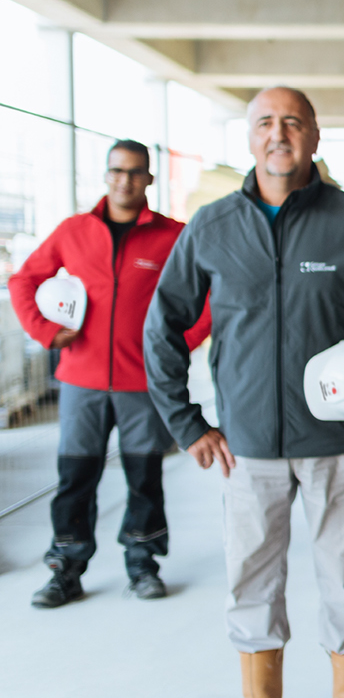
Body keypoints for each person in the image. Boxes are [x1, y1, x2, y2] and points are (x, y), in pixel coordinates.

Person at [144, 87, 344, 698]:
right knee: (250, 579)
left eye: (293, 123)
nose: (279, 135)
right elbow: (161, 324)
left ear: (314, 136)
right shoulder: (213, 226)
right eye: (265, 123)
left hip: (338, 441)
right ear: (249, 138)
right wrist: (187, 424)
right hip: (247, 446)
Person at [10, 139, 209, 608]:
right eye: (117, 171)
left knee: (144, 478)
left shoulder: (172, 236)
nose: (126, 180)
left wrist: (177, 346)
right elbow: (23, 280)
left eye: (136, 172)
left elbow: (210, 295)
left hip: (143, 383)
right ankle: (66, 569)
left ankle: (143, 564)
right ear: (105, 175)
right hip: (80, 382)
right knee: (75, 478)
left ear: (149, 179)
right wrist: (43, 329)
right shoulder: (73, 231)